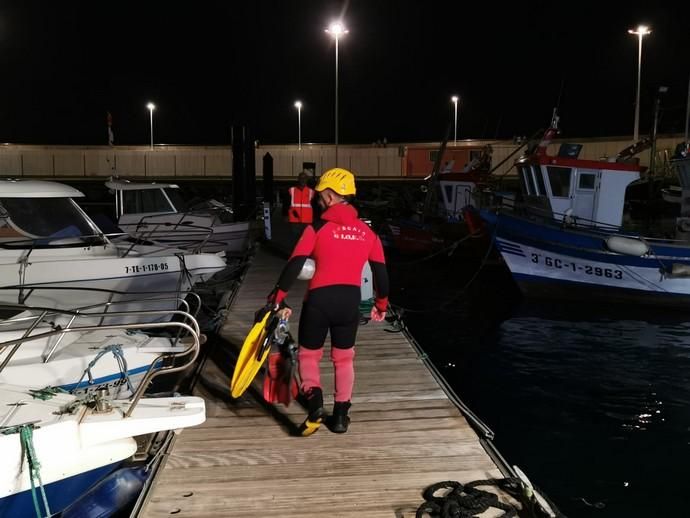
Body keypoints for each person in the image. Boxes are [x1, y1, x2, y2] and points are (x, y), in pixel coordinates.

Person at [266, 167, 389, 435]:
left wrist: (278, 297)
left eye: (321, 195)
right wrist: (381, 305)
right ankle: (342, 417)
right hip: (349, 303)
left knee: (310, 355)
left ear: (331, 197)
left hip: (319, 301)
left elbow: (295, 262)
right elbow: (381, 272)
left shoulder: (317, 228)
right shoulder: (368, 234)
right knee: (344, 360)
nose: (318, 200)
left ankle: (316, 405)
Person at [287, 172, 315, 239]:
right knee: (295, 241)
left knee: (306, 240)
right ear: (298, 179)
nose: (303, 180)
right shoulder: (292, 190)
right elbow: (286, 204)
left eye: (305, 178)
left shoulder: (311, 192)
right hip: (294, 221)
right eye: (301, 178)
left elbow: (315, 206)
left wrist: (315, 217)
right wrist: (285, 215)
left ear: (307, 179)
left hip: (307, 221)